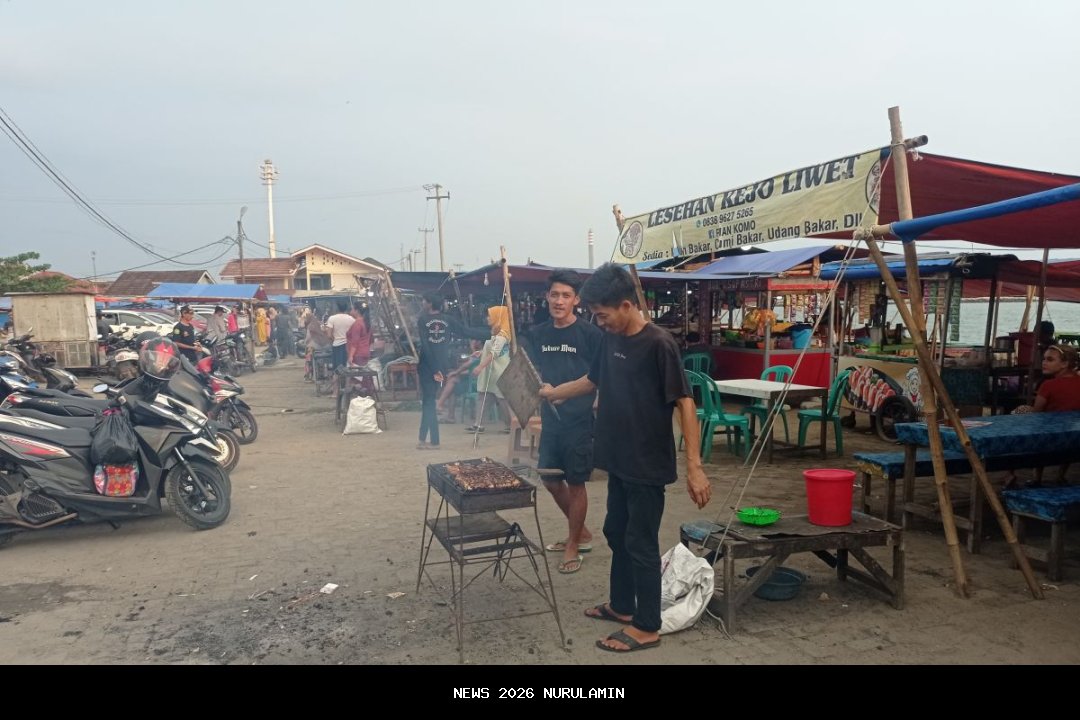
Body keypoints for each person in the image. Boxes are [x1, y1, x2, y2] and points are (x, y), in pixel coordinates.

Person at [539, 262, 710, 654]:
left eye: (603, 315)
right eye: (595, 316)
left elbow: (685, 403)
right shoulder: (610, 338)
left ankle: (647, 625)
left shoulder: (659, 344)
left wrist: (695, 468)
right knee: (617, 532)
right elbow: (592, 380)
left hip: (647, 462)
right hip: (618, 457)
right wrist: (554, 393)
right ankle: (621, 606)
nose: (599, 323)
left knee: (641, 541)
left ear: (627, 305)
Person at [527, 269, 603, 574]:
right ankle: (581, 532)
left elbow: (598, 379)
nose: (560, 301)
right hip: (551, 420)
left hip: (579, 420)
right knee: (548, 478)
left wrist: (577, 399)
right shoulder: (539, 333)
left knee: (576, 483)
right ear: (547, 297)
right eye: (555, 295)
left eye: (566, 295)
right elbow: (534, 374)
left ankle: (574, 544)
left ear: (577, 300)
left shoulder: (590, 335)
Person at [416, 292, 489, 450]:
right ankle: (423, 438)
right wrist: (490, 333)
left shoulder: (422, 320)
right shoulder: (448, 320)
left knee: (428, 401)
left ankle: (433, 441)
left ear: (429, 303)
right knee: (428, 401)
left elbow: (426, 346)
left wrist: (433, 368)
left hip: (428, 366)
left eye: (424, 300)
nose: (422, 303)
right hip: (440, 366)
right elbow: (466, 332)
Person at [467, 306, 512, 434]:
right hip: (492, 371)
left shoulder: (502, 335)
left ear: (498, 317)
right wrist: (481, 352)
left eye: (490, 315)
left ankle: (512, 425)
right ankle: (478, 424)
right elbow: (493, 351)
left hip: (499, 372)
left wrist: (480, 366)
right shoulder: (497, 333)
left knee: (502, 399)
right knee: (483, 396)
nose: (487, 318)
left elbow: (494, 354)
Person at [436, 340, 482, 423]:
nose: (472, 342)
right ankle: (448, 414)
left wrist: (457, 372)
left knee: (452, 380)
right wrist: (457, 373)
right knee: (453, 385)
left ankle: (440, 405)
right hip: (474, 382)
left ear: (479, 342)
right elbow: (471, 370)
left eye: (474, 341)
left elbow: (468, 366)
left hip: (478, 384)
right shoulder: (479, 353)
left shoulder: (481, 353)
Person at [325, 301, 355, 371]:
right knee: (347, 367)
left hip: (337, 345)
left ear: (337, 309)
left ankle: (337, 381)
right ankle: (346, 381)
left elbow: (329, 335)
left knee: (337, 368)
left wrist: (334, 339)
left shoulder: (332, 318)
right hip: (349, 346)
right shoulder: (352, 319)